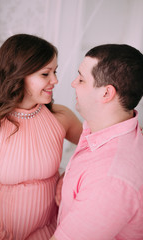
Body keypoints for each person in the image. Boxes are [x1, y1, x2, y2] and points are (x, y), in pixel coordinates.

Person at [0, 34, 82, 240]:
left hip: (48, 230)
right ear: (19, 76)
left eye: (55, 71)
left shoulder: (61, 117)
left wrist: (70, 174)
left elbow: (97, 148)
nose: (55, 80)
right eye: (45, 74)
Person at [51, 44, 143, 240]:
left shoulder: (110, 180)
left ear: (106, 93)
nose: (73, 83)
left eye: (82, 79)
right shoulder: (116, 131)